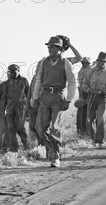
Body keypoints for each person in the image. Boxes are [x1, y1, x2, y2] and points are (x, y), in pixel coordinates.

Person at [32, 36, 77, 168]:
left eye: (52, 47)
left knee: (55, 128)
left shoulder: (66, 63)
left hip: (58, 97)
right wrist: (35, 97)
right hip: (44, 96)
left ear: (60, 49)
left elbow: (72, 83)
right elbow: (38, 80)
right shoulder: (44, 62)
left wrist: (68, 100)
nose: (49, 50)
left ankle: (55, 156)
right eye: (49, 47)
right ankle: (51, 149)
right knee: (39, 128)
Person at [82, 52, 106, 148]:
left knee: (101, 119)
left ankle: (100, 141)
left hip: (102, 98)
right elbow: (84, 83)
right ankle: (92, 139)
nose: (101, 63)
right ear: (97, 61)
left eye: (103, 62)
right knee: (89, 119)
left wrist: (105, 91)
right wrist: (89, 90)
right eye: (100, 61)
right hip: (91, 97)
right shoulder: (90, 72)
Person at [0, 64, 30, 152]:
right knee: (10, 127)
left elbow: (28, 95)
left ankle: (26, 144)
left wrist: (28, 110)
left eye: (14, 71)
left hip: (21, 107)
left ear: (18, 71)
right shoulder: (7, 83)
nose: (12, 73)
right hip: (10, 107)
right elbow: (4, 97)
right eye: (10, 72)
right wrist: (2, 110)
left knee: (20, 126)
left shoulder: (24, 81)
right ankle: (14, 148)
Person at [75, 57, 92, 138]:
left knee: (87, 115)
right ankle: (81, 133)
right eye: (83, 62)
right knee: (81, 114)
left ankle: (87, 134)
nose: (83, 64)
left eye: (85, 62)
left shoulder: (90, 70)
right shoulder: (81, 70)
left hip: (88, 93)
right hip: (82, 92)